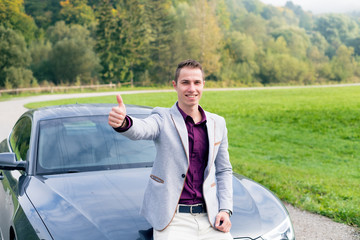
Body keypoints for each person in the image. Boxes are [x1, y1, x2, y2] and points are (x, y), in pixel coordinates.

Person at [108, 59, 233, 240]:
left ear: (203, 85)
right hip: (173, 219)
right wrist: (124, 122)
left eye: (197, 82)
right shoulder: (162, 118)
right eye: (185, 82)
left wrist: (225, 210)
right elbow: (142, 128)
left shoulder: (217, 123)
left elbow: (224, 170)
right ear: (175, 85)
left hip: (211, 218)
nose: (192, 88)